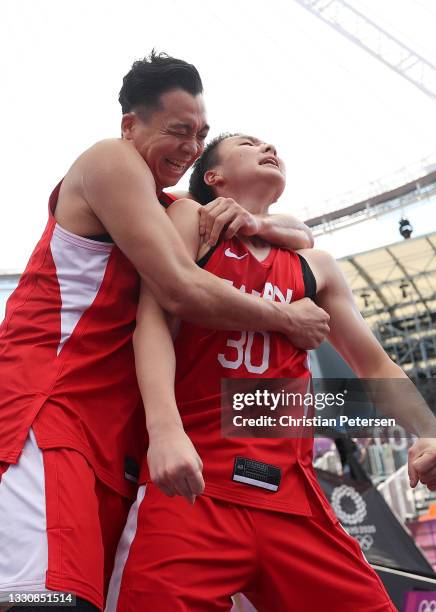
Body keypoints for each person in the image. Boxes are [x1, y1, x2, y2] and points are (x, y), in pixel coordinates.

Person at [0, 55, 331, 612]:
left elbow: (301, 231)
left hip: (113, 441)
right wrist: (286, 317)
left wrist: (261, 222)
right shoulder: (110, 161)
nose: (189, 148)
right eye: (177, 130)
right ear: (130, 125)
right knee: (44, 601)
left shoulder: (168, 209)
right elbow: (179, 289)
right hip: (47, 411)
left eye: (200, 136)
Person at [107, 133, 436, 611]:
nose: (269, 148)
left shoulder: (317, 266)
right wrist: (164, 432)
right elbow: (153, 324)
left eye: (272, 145)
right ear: (214, 177)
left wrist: (431, 432)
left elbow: (374, 363)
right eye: (250, 144)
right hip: (197, 485)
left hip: (293, 494)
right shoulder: (190, 219)